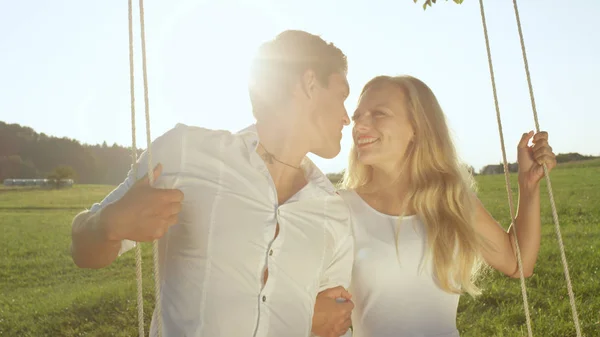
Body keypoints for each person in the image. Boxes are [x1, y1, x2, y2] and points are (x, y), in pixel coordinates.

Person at [70, 30, 356, 337]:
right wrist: (108, 224)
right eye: (341, 96)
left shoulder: (334, 210)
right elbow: (82, 250)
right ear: (310, 83)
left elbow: (333, 319)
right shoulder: (185, 153)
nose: (346, 118)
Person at [338, 75, 557, 337]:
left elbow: (518, 263)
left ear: (417, 127)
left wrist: (528, 184)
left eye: (379, 114)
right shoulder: (339, 208)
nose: (359, 124)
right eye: (357, 115)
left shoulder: (452, 200)